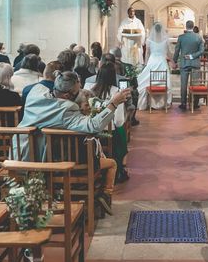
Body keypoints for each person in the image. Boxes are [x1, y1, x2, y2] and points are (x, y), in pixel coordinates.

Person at [15, 71, 131, 200]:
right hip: (38, 159)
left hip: (19, 150)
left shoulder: (36, 92)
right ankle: (103, 196)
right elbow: (93, 125)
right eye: (77, 91)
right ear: (66, 95)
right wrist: (113, 104)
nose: (80, 92)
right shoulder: (66, 109)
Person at [89, 63, 130, 183]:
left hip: (91, 131)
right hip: (108, 132)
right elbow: (118, 121)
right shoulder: (116, 92)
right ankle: (118, 168)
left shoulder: (89, 89)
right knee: (121, 132)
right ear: (113, 76)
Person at [136, 22, 172, 110]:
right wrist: (172, 61)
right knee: (166, 82)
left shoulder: (149, 40)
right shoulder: (166, 40)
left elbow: (147, 53)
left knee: (144, 81)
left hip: (152, 62)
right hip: (162, 63)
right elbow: (169, 53)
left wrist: (145, 64)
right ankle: (165, 103)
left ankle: (149, 103)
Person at [173, 20, 205, 110]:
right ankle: (195, 104)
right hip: (195, 63)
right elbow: (202, 51)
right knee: (196, 84)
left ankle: (183, 104)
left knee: (183, 84)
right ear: (193, 26)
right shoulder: (199, 37)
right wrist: (192, 56)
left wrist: (174, 61)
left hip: (184, 63)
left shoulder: (181, 37)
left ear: (186, 27)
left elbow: (177, 50)